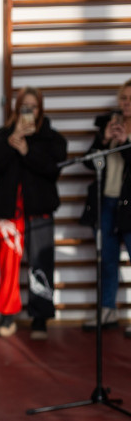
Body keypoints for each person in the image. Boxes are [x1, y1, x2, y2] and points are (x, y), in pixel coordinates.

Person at [0, 87, 67, 340]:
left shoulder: (52, 138)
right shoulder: (3, 135)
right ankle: (7, 316)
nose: (29, 111)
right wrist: (12, 142)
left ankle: (40, 318)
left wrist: (27, 152)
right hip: (8, 212)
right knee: (7, 266)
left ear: (41, 109)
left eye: (34, 106)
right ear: (16, 108)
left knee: (41, 264)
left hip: (38, 210)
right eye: (24, 106)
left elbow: (54, 170)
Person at [79, 79, 131, 333]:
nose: (127, 104)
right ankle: (107, 310)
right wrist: (104, 140)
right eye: (124, 99)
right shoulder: (111, 127)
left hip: (129, 205)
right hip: (107, 202)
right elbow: (89, 163)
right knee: (107, 260)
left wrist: (124, 143)